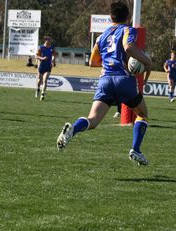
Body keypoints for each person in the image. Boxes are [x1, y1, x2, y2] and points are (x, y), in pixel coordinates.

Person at [56, 1, 152, 165]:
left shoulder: (102, 35)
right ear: (127, 16)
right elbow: (128, 47)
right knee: (142, 114)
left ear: (110, 17)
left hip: (105, 80)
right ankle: (135, 150)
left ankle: (73, 129)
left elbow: (93, 61)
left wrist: (109, 62)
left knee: (92, 120)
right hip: (123, 79)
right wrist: (147, 60)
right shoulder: (128, 29)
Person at [35, 36, 55, 101]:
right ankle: (38, 89)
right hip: (41, 66)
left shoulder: (52, 48)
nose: (49, 42)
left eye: (50, 40)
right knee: (39, 81)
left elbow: (53, 55)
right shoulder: (41, 48)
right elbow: (36, 56)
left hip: (48, 66)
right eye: (48, 40)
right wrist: (42, 58)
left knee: (45, 80)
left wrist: (53, 61)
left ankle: (43, 93)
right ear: (45, 41)